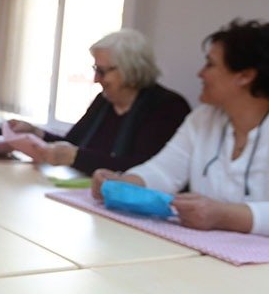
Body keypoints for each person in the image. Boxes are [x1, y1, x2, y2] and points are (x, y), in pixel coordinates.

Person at [92, 19, 269, 235]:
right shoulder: (203, 118)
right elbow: (163, 171)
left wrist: (224, 216)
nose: (200, 74)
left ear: (245, 76)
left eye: (210, 64)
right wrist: (120, 184)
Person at [8, 29, 191, 174]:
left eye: (102, 71)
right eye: (95, 69)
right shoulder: (103, 101)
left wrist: (76, 157)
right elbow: (72, 143)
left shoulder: (167, 107)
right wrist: (36, 132)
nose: (96, 79)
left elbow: (144, 168)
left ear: (132, 70)